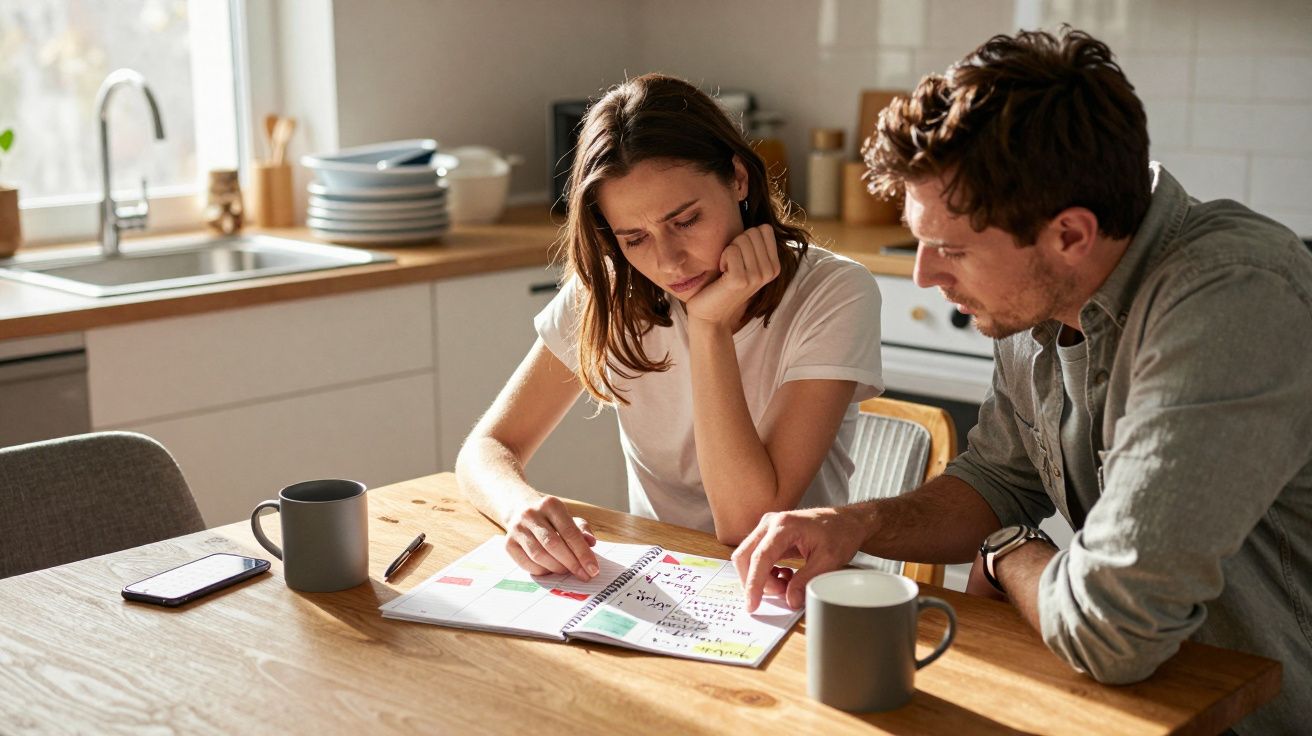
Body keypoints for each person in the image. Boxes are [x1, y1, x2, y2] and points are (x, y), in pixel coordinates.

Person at [732, 28, 1311, 733]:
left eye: (951, 250)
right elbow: (998, 483)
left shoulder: (1230, 304)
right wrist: (856, 522)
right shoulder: (1040, 299)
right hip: (1137, 707)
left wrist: (1011, 552)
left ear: (1070, 234)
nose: (924, 278)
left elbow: (1111, 631)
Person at [458, 73, 882, 584]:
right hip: (656, 581)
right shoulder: (610, 289)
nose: (668, 261)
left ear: (738, 179)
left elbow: (747, 526)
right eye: (634, 237)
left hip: (789, 587)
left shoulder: (833, 293)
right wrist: (518, 507)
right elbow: (487, 448)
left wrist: (708, 327)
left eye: (685, 221)